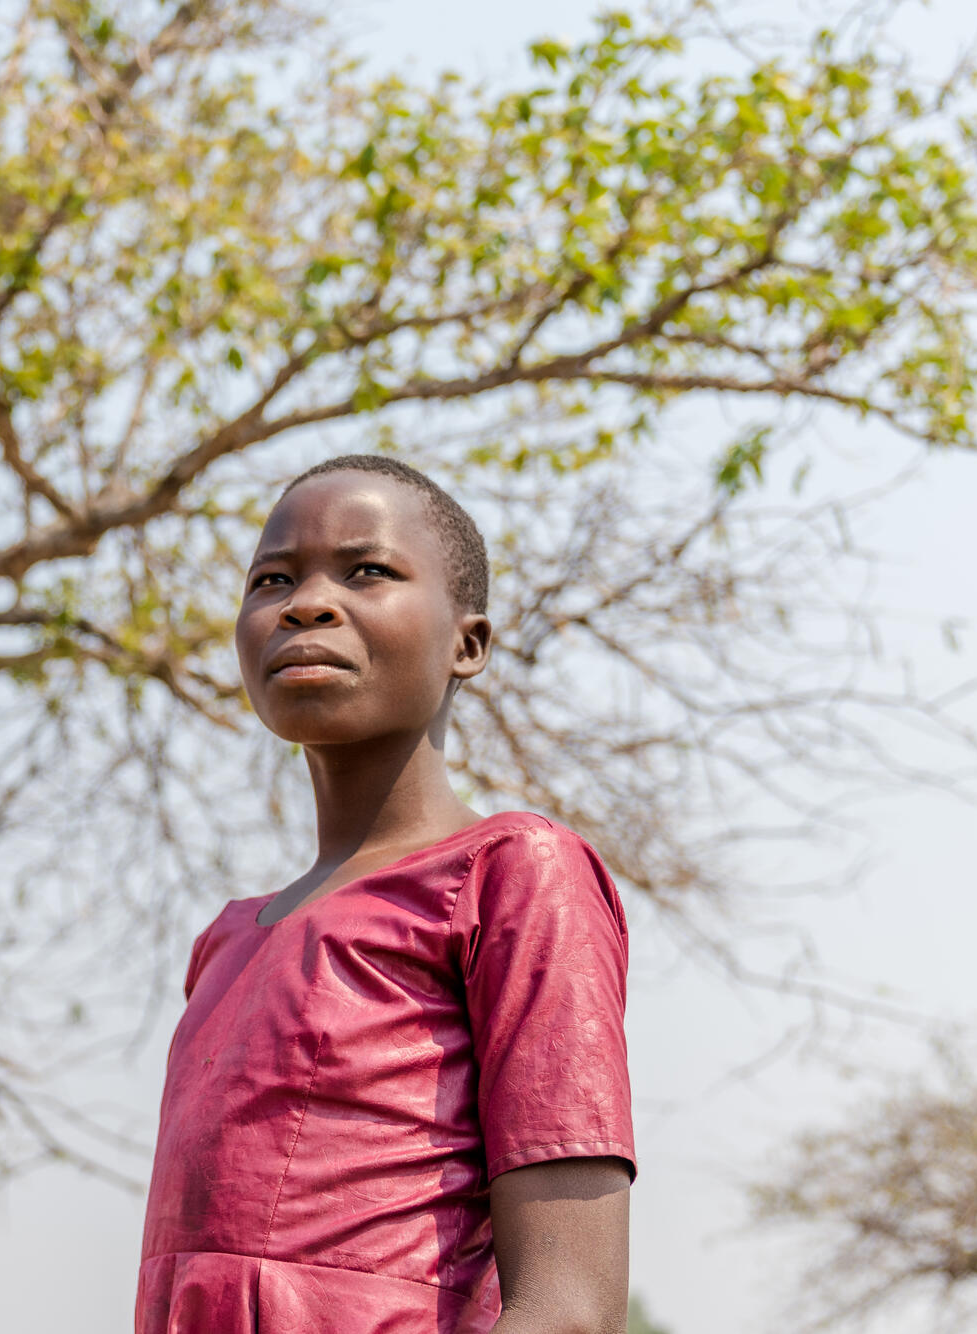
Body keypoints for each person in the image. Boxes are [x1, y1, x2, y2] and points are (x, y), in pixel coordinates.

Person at [136, 455, 634, 1334]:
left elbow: (568, 1305)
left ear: (466, 644)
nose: (306, 604)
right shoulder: (227, 939)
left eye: (367, 571)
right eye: (272, 580)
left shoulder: (514, 874)